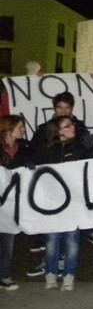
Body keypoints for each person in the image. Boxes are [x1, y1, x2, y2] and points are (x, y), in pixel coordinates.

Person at [35, 116, 93, 290]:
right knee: (52, 239)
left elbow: (91, 167)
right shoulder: (47, 150)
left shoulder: (79, 148)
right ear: (58, 131)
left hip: (73, 202)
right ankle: (51, 273)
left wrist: (91, 150)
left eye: (72, 125)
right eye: (67, 126)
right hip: (53, 202)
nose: (72, 127)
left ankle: (69, 275)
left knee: (72, 239)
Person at [0, 115, 31, 290]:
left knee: (7, 240)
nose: (23, 130)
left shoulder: (24, 148)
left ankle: (4, 276)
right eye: (20, 127)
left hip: (10, 205)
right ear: (9, 128)